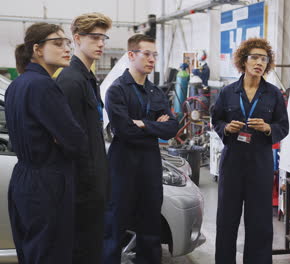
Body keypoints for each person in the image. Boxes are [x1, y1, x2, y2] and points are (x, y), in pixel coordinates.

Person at [5, 23, 87, 263]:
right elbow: (77, 141)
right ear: (38, 49)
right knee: (51, 254)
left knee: (31, 252)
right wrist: (61, 139)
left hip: (23, 179)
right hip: (48, 183)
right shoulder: (44, 86)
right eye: (58, 43)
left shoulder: (17, 84)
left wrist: (57, 136)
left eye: (67, 43)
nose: (66, 48)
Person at [211, 38, 289, 264]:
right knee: (227, 220)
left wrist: (268, 128)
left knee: (260, 222)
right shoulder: (228, 92)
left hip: (260, 163)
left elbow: (283, 126)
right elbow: (216, 120)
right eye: (254, 57)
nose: (259, 62)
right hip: (232, 162)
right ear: (243, 61)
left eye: (264, 59)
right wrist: (226, 127)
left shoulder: (274, 94)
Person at [103, 34, 178, 264]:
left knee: (150, 228)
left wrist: (144, 123)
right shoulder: (116, 91)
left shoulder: (155, 92)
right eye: (146, 54)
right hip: (123, 165)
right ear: (131, 55)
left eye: (154, 55)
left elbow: (172, 128)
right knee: (114, 227)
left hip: (150, 165)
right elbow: (124, 130)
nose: (152, 59)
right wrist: (157, 125)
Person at [55, 12, 112, 264]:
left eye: (104, 37)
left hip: (94, 185)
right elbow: (69, 140)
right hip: (82, 189)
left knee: (92, 249)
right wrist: (87, 185)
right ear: (77, 39)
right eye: (94, 37)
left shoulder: (89, 79)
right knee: (82, 252)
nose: (101, 43)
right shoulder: (71, 80)